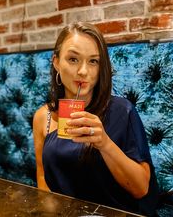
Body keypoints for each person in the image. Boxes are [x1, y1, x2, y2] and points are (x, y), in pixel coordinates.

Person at [33, 22, 159, 216]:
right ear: (56, 62)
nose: (83, 71)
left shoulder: (122, 111)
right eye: (73, 59)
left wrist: (105, 143)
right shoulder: (43, 117)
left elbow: (141, 188)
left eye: (93, 61)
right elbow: (42, 177)